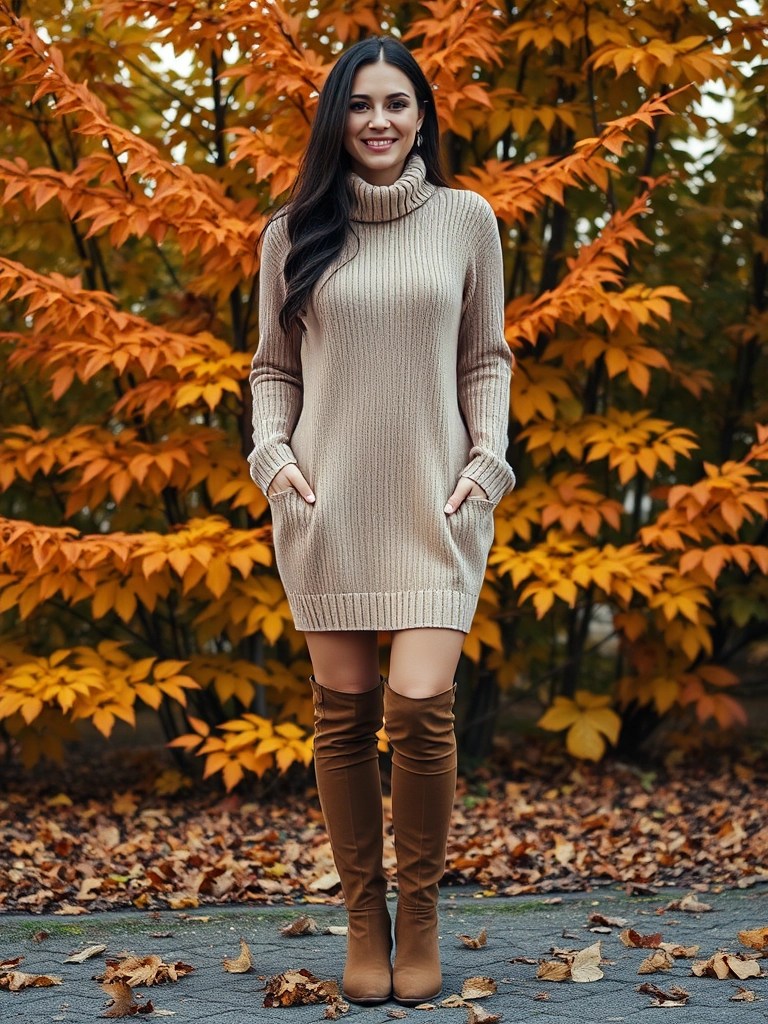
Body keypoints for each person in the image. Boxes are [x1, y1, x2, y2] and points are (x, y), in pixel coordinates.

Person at [247, 34, 516, 1007]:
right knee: (346, 714)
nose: (379, 121)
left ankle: (424, 913)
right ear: (336, 118)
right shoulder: (292, 231)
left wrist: (487, 459)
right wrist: (274, 461)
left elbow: (485, 357)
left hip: (437, 501)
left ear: (423, 117)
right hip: (326, 504)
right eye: (360, 104)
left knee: (420, 707)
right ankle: (367, 919)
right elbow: (272, 371)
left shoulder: (467, 221)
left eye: (398, 103)